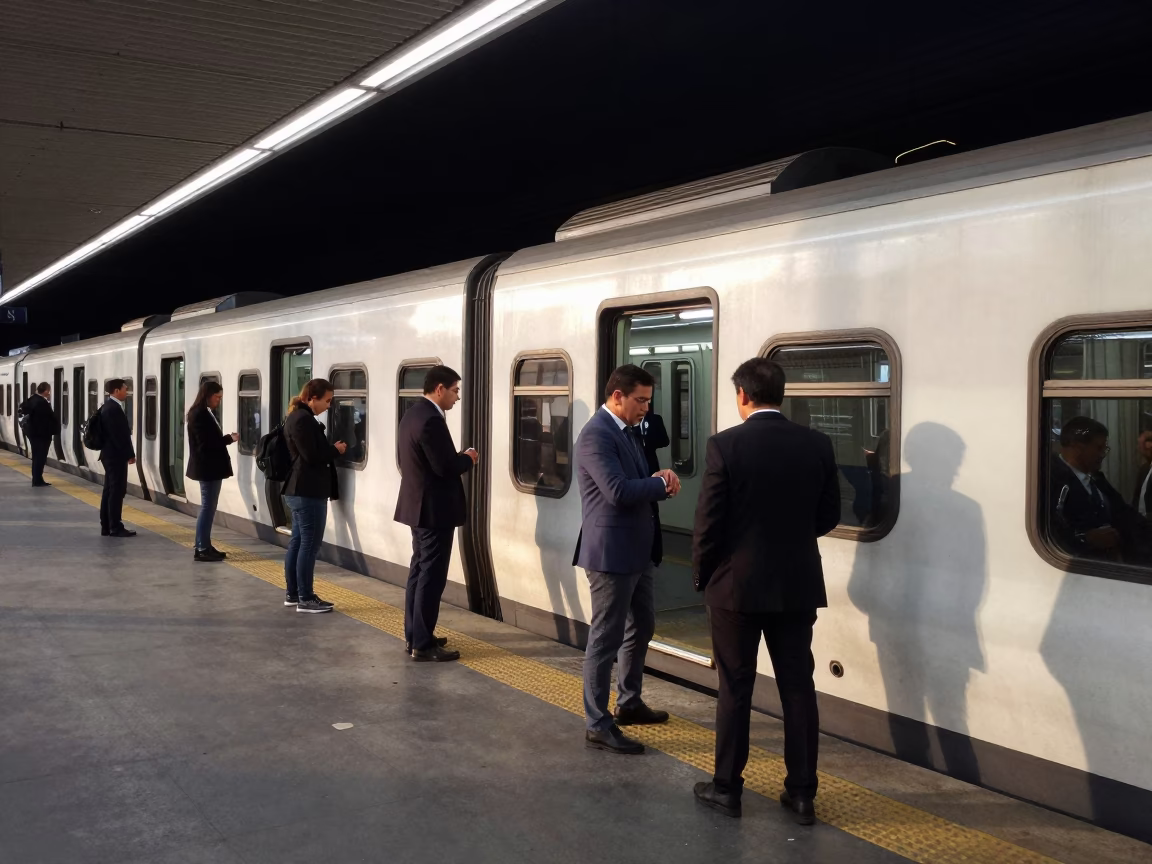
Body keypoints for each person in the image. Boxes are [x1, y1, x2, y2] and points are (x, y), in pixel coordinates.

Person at [691, 357, 839, 824]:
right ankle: (801, 794)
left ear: (742, 396)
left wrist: (703, 576)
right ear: (782, 394)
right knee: (798, 688)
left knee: (735, 688)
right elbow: (829, 514)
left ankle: (727, 789)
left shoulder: (725, 446)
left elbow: (709, 523)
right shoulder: (815, 443)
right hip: (796, 586)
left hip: (736, 588)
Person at [574, 364, 680, 755]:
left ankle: (629, 701)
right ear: (617, 396)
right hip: (611, 555)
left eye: (649, 402)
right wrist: (660, 486)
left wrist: (659, 474)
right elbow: (617, 491)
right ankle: (597, 722)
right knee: (605, 638)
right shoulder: (596, 436)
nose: (646, 409)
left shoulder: (629, 432)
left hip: (637, 552)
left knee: (643, 625)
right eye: (641, 401)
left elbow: (638, 477)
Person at [394, 365, 477, 662]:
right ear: (439, 389)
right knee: (431, 576)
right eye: (455, 391)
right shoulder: (431, 420)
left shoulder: (412, 415)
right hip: (433, 510)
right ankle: (424, 644)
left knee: (419, 571)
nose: (457, 398)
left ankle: (414, 635)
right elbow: (444, 467)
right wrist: (467, 458)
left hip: (418, 507)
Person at [282, 378, 346, 612]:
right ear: (313, 398)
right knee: (308, 545)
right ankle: (305, 598)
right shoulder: (303, 420)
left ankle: (294, 593)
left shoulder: (298, 417)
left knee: (298, 543)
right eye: (327, 401)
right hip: (307, 491)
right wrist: (335, 450)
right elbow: (312, 455)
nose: (328, 406)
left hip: (300, 490)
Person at [1049, 416, 1150, 561]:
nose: (1103, 454)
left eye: (1105, 448)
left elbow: (1125, 514)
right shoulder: (1053, 481)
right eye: (1099, 448)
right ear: (1077, 447)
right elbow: (1048, 532)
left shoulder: (1097, 480)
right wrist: (1085, 539)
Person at [186, 380, 239, 563]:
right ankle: (202, 547)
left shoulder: (202, 413)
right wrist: (228, 439)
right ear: (207, 395)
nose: (219, 401)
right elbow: (205, 444)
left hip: (209, 467)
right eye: (217, 397)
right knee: (208, 508)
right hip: (207, 468)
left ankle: (205, 544)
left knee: (209, 507)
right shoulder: (199, 415)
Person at [99, 379, 137, 538]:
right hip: (115, 456)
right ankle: (114, 526)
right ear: (116, 391)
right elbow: (119, 436)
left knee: (109, 490)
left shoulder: (108, 407)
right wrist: (129, 454)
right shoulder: (113, 409)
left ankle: (107, 525)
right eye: (124, 389)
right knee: (116, 490)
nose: (126, 392)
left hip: (110, 455)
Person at [20, 382, 58, 487]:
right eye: (49, 391)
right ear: (46, 391)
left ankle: (37, 478)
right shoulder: (41, 402)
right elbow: (44, 420)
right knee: (40, 457)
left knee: (37, 457)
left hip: (34, 434)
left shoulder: (32, 399)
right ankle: (37, 480)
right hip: (41, 435)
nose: (49, 393)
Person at [1133, 429, 1152, 519]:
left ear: (1148, 445)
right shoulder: (1144, 469)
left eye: (1139, 445)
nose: (1138, 448)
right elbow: (1137, 496)